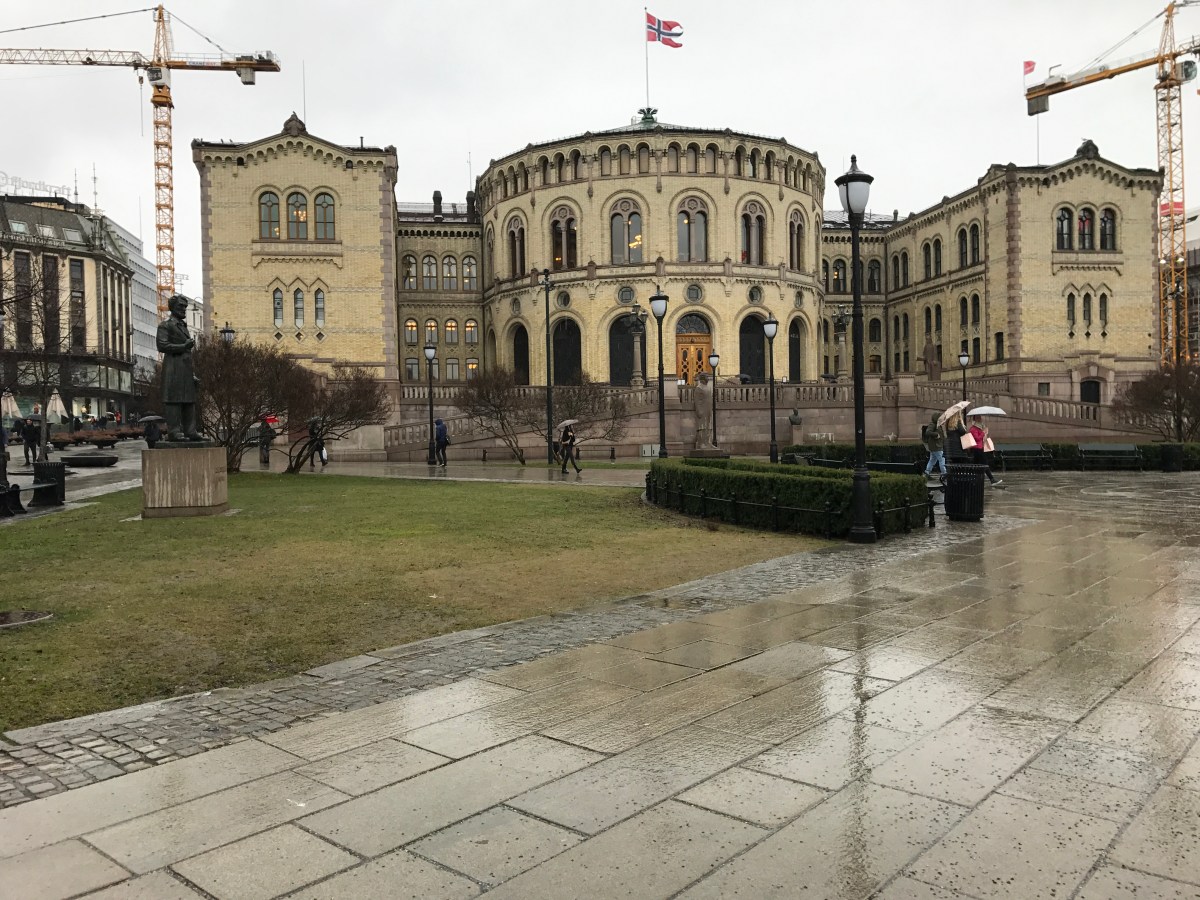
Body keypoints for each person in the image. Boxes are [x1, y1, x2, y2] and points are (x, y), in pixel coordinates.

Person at [156, 294, 204, 441]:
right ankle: (174, 432)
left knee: (189, 401)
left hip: (185, 370)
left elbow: (187, 354)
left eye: (185, 306)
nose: (183, 309)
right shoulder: (165, 325)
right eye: (181, 306)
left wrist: (191, 374)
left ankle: (190, 431)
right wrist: (183, 346)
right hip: (173, 369)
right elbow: (162, 345)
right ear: (173, 307)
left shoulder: (183, 326)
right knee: (174, 400)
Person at [967, 415, 1003, 487]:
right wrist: (983, 432)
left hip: (979, 448)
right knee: (984, 464)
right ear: (975, 419)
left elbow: (981, 438)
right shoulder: (973, 429)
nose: (980, 419)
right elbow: (977, 438)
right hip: (977, 449)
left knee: (977, 465)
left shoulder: (978, 428)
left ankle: (974, 480)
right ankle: (992, 479)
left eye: (980, 417)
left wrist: (985, 432)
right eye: (978, 418)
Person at [922, 413, 947, 479]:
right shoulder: (933, 424)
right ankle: (944, 473)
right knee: (942, 459)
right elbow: (928, 432)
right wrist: (936, 434)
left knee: (932, 460)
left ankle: (927, 472)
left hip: (936, 446)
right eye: (942, 419)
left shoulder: (938, 425)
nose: (943, 420)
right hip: (936, 446)